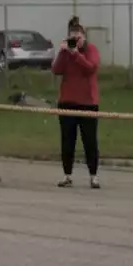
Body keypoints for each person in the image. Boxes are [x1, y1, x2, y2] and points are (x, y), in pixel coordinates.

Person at [52, 20, 102, 188]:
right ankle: (67, 175)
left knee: (89, 140)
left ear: (84, 37)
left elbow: (90, 68)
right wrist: (62, 52)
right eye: (72, 38)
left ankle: (93, 176)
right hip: (67, 101)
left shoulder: (91, 50)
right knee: (67, 141)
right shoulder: (67, 53)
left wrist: (76, 53)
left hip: (88, 103)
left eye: (78, 38)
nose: (75, 42)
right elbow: (56, 70)